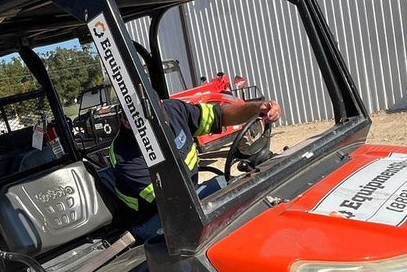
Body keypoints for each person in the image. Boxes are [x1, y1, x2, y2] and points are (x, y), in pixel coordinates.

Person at [110, 96, 282, 240]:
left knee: (237, 185)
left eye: (161, 120)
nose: (160, 128)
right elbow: (175, 201)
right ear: (126, 123)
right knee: (224, 220)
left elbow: (219, 115)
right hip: (156, 218)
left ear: (162, 105)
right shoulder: (124, 156)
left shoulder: (173, 110)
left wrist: (257, 109)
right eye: (149, 126)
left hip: (192, 194)